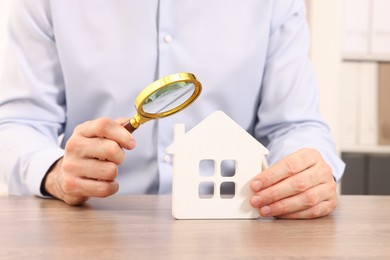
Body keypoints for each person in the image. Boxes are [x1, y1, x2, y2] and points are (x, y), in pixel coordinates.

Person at [0, 0, 344, 219]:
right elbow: (18, 122)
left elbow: (294, 124)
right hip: (93, 225)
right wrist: (56, 172)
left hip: (231, 227)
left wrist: (308, 173)